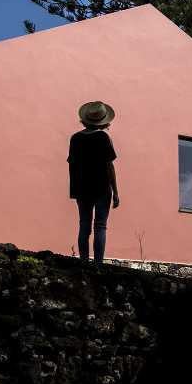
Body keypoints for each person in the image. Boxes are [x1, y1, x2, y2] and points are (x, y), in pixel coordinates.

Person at [67, 100, 120, 267]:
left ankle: (83, 263)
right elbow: (109, 166)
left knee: (84, 226)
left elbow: (72, 165)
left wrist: (75, 189)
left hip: (81, 188)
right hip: (101, 187)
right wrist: (116, 191)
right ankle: (98, 265)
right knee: (100, 226)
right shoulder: (103, 137)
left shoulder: (75, 138)